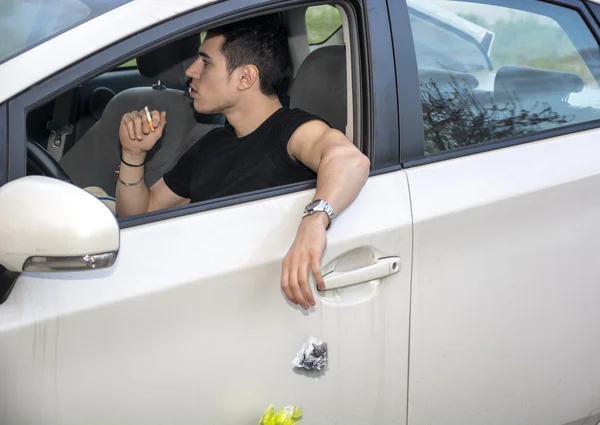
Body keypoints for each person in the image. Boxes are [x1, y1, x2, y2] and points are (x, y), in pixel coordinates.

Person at [115, 16, 370, 310]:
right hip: (199, 292)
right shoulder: (212, 144)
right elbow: (139, 215)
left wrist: (315, 221)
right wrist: (133, 155)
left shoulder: (291, 131)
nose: (191, 71)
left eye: (205, 62)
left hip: (250, 302)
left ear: (245, 78)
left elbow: (349, 159)